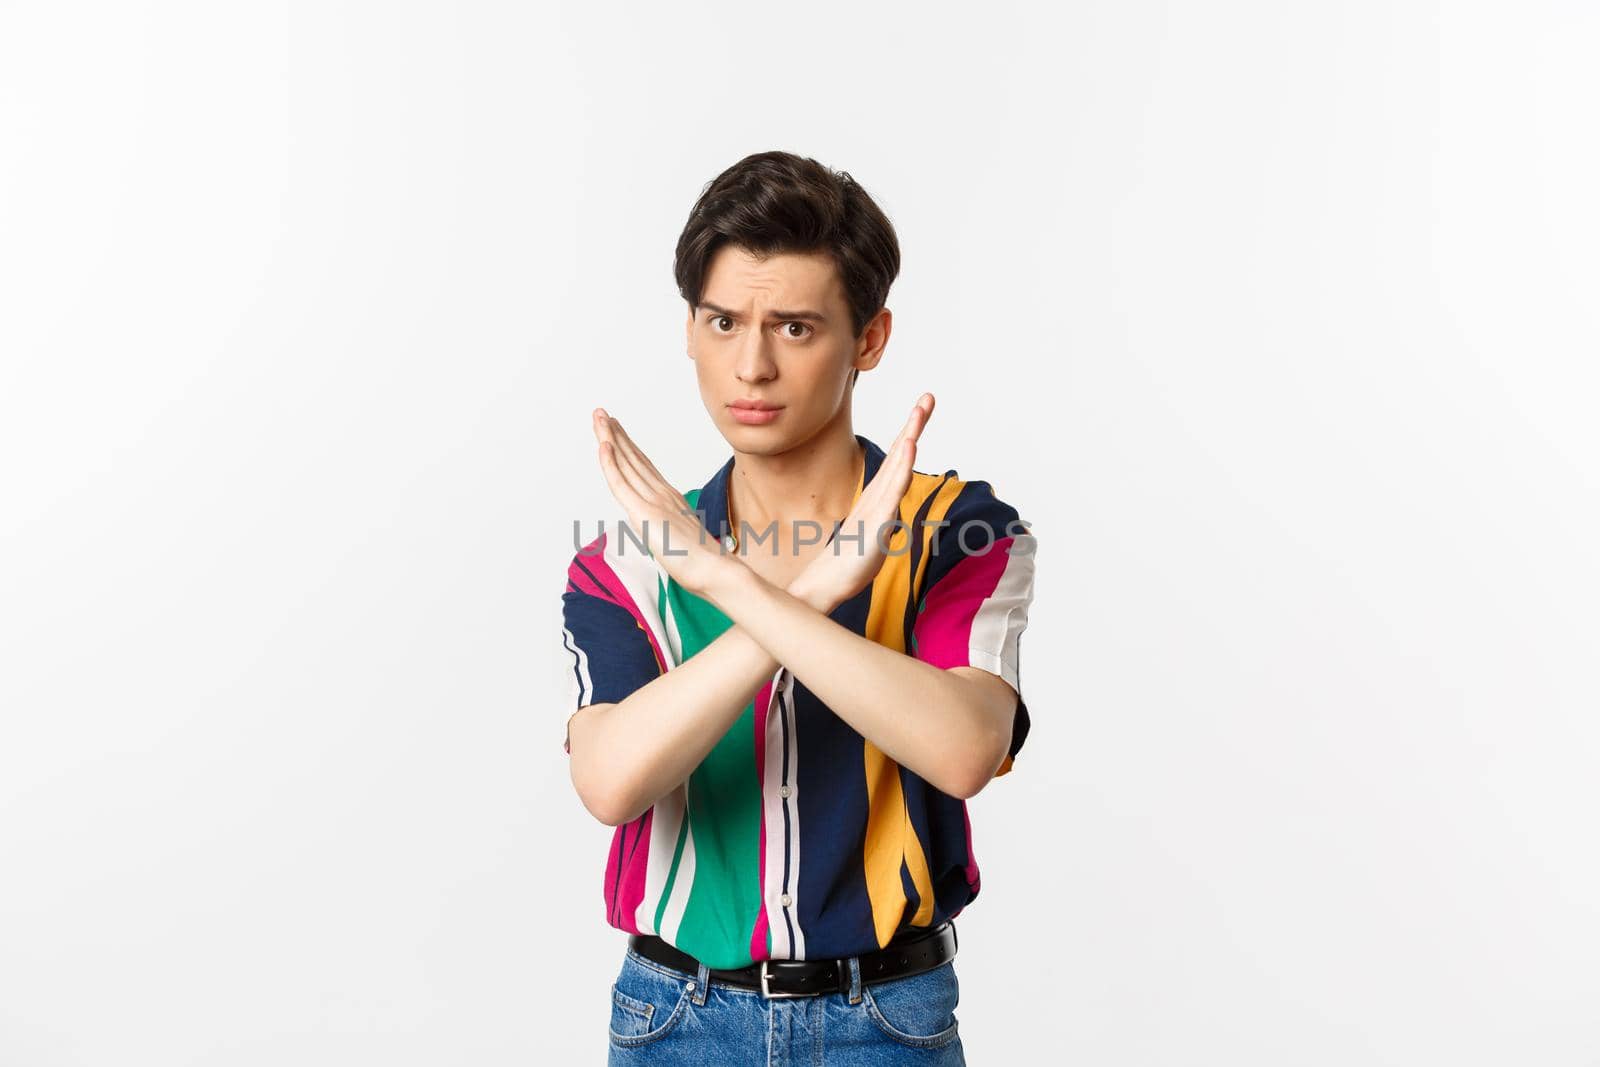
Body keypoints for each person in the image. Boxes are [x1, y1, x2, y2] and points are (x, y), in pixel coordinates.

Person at [559, 150, 1037, 1065]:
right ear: (690, 330)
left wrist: (733, 584)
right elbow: (612, 780)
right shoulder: (623, 562)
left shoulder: (957, 530)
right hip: (675, 1019)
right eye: (723, 320)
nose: (753, 364)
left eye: (795, 327)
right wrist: (811, 592)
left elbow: (964, 748)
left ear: (869, 338)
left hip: (886, 1019)